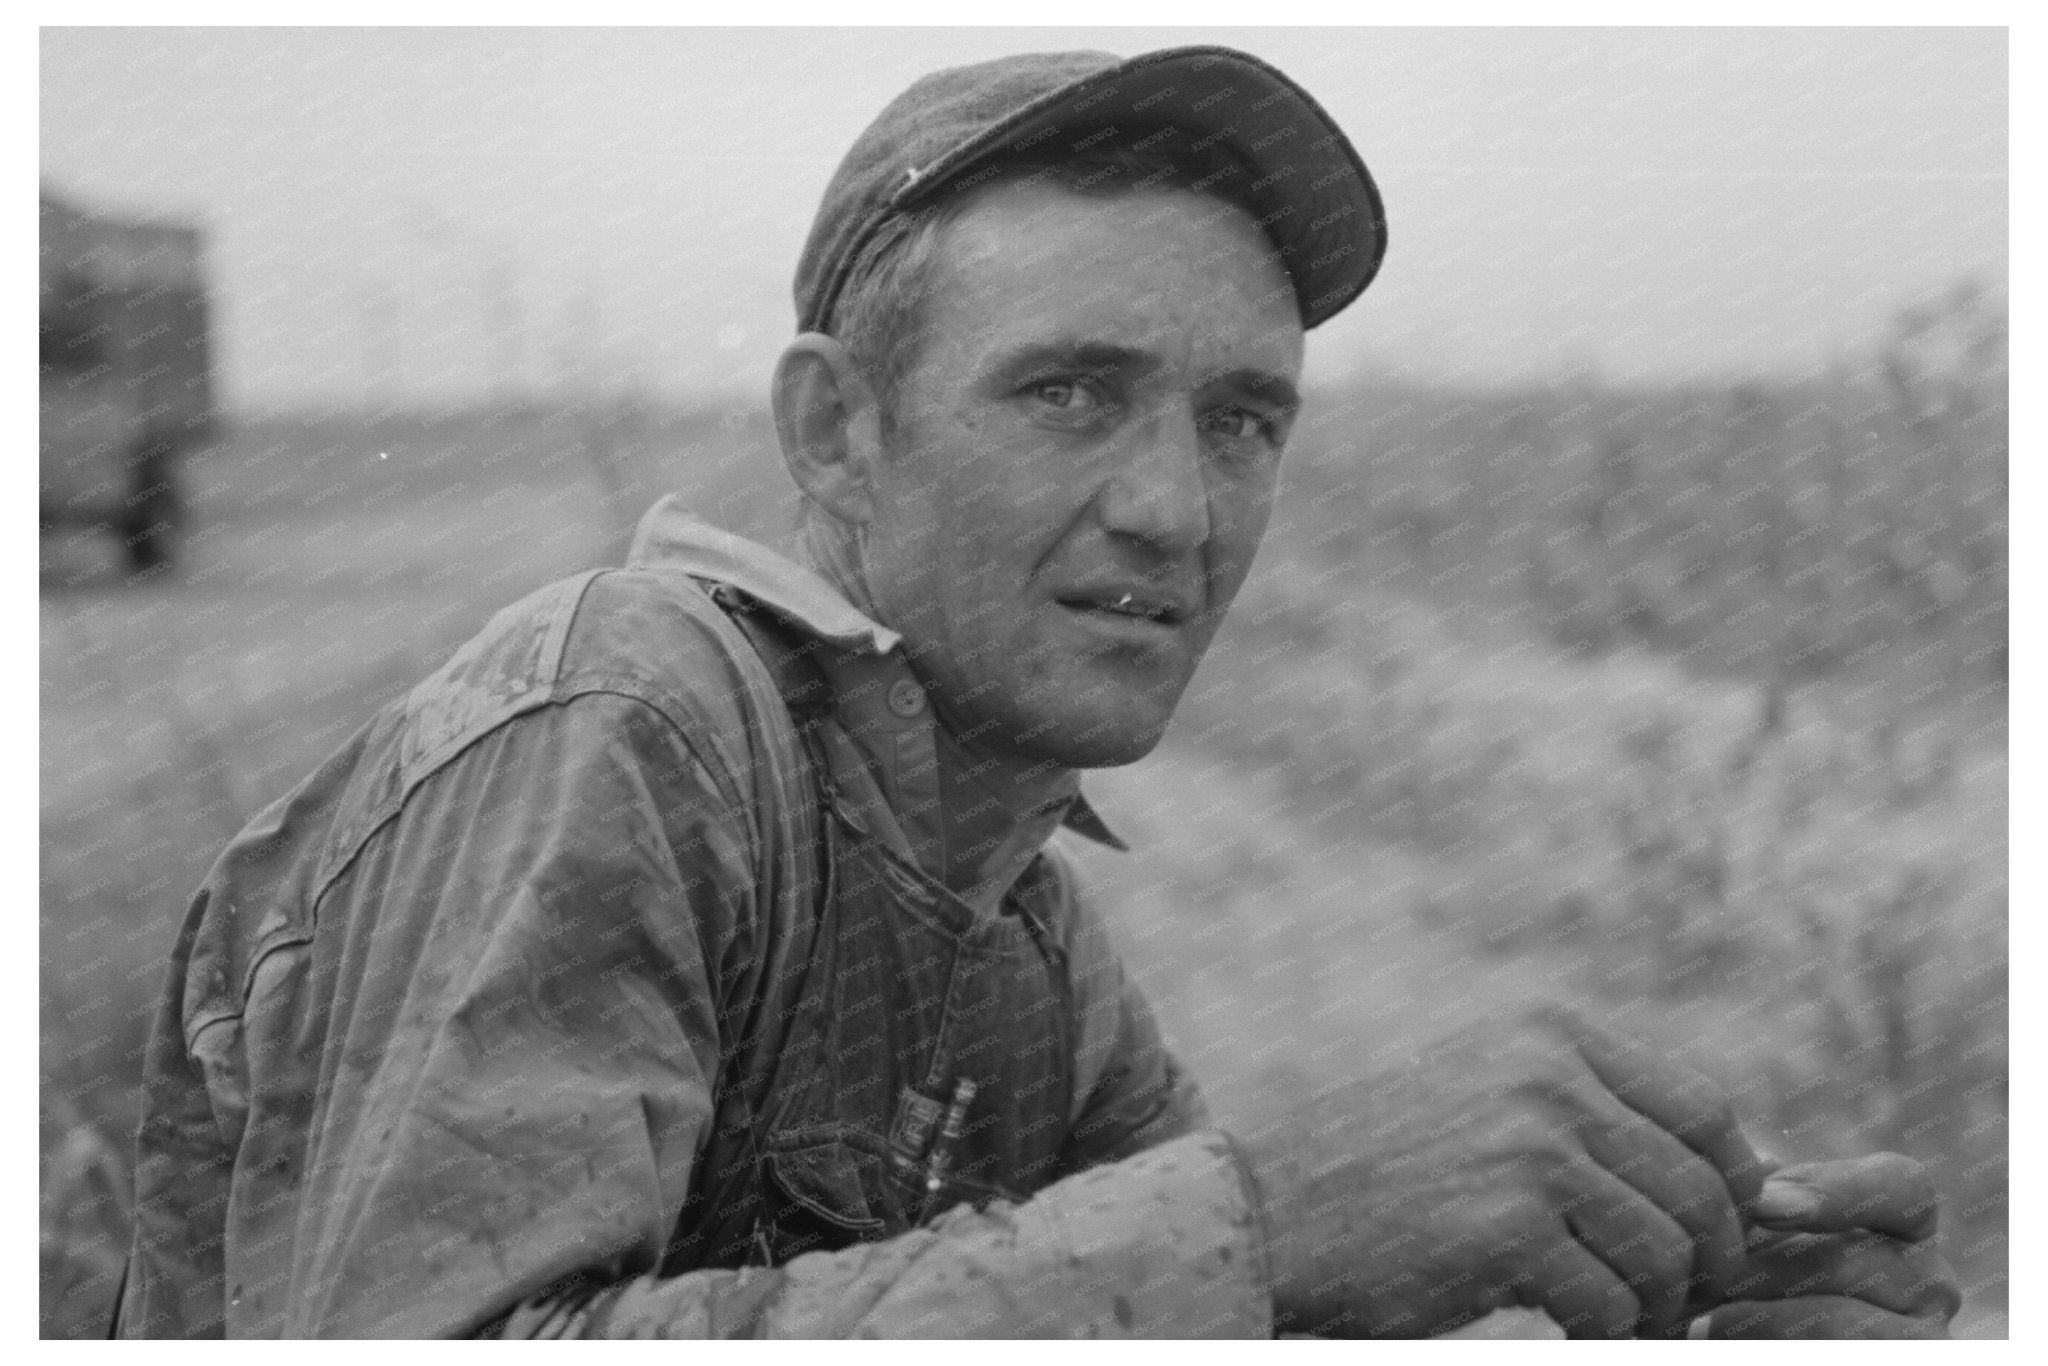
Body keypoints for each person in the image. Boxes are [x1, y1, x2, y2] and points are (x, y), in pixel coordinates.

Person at [115, 45, 1959, 1339]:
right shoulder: (631, 719)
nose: (1177, 507)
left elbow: (1161, 1310)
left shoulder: (1021, 926)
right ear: (836, 433)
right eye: (1071, 391)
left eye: (1244, 417)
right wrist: (1281, 1217)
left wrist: (1618, 1278)